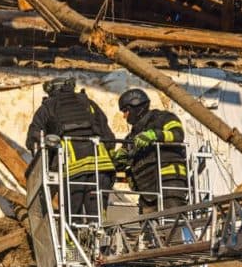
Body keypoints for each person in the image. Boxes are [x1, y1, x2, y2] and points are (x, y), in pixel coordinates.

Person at [25, 76, 116, 223]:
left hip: (73, 169)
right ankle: (100, 244)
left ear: (51, 90)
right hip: (101, 168)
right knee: (97, 217)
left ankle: (72, 243)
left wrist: (45, 165)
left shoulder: (47, 107)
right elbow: (109, 138)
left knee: (72, 218)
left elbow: (34, 141)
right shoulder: (89, 104)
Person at [112, 88, 188, 214]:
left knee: (173, 223)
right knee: (148, 230)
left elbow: (178, 134)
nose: (124, 116)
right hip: (147, 190)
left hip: (168, 181)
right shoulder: (132, 137)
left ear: (136, 107)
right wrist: (120, 158)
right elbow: (123, 158)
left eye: (126, 111)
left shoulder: (164, 118)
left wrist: (155, 135)